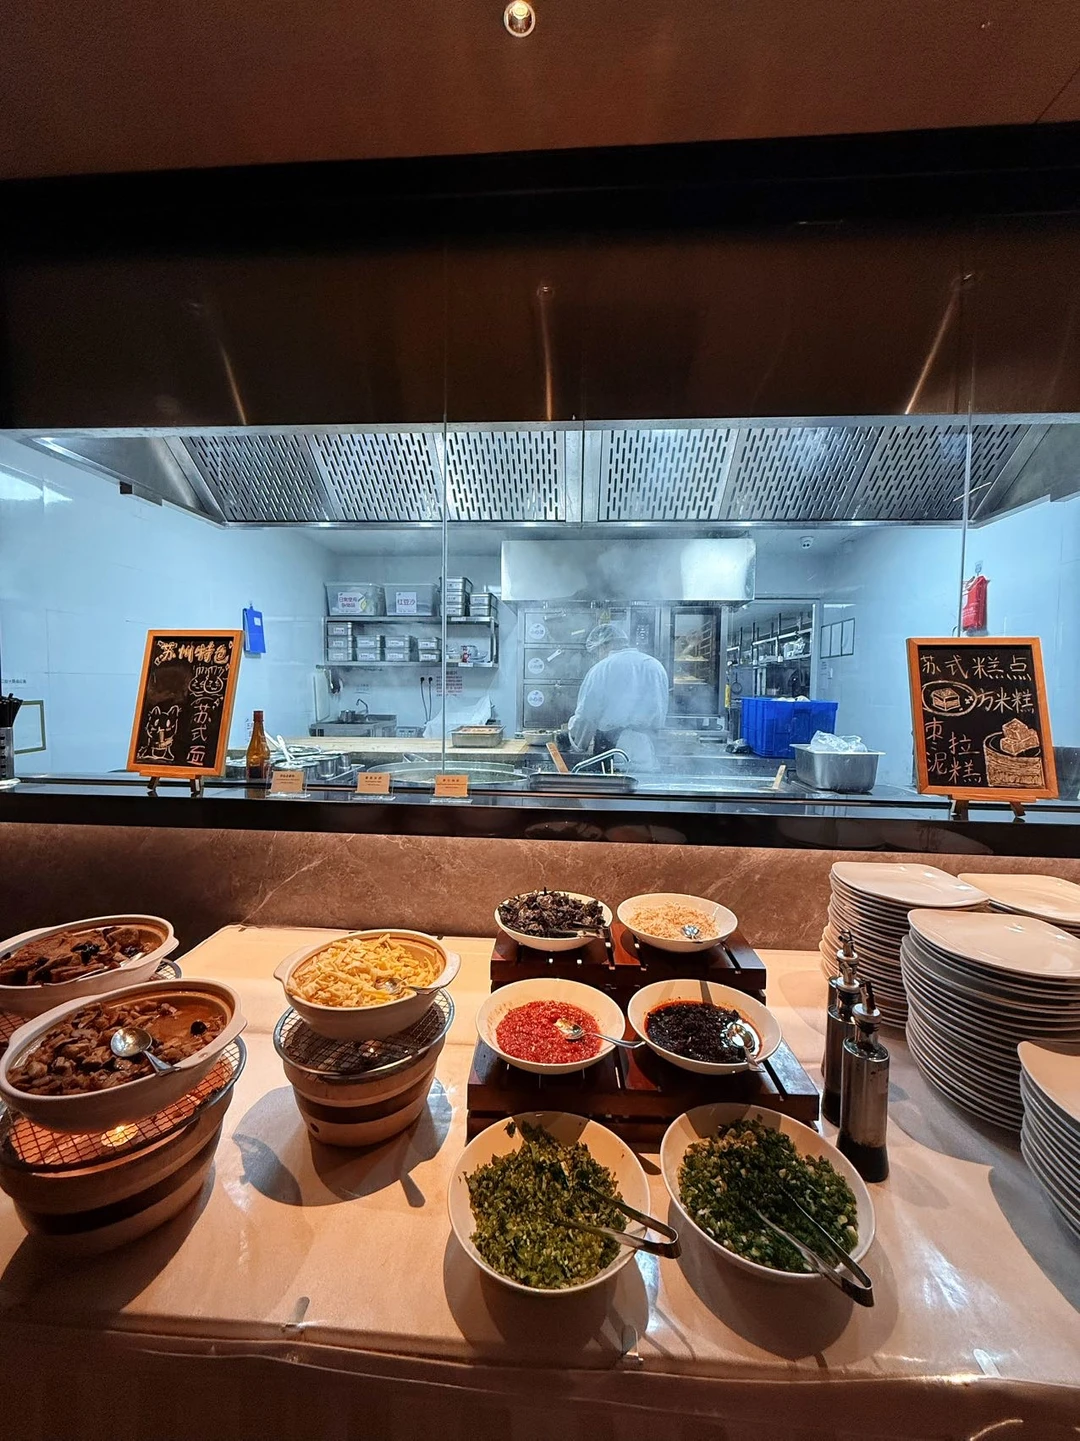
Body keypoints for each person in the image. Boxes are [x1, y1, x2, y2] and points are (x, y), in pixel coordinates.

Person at [567, 623, 669, 771]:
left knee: (614, 784)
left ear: (604, 645)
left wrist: (578, 744)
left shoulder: (601, 669)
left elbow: (587, 716)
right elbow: (661, 712)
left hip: (612, 749)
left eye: (596, 652)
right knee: (642, 784)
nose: (597, 656)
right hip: (646, 748)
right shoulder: (655, 666)